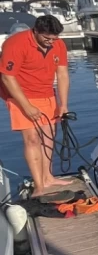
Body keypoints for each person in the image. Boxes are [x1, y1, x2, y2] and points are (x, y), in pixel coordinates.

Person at [0, 15, 70, 196]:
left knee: (48, 136)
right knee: (32, 139)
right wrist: (26, 107)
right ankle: (39, 186)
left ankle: (48, 177)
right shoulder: (15, 44)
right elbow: (7, 77)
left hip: (47, 94)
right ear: (36, 31)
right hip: (19, 95)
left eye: (54, 38)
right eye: (47, 38)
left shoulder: (58, 45)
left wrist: (63, 104)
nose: (51, 42)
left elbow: (62, 75)